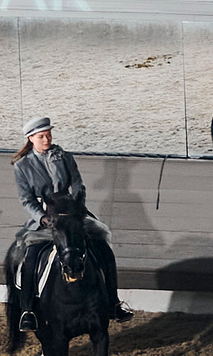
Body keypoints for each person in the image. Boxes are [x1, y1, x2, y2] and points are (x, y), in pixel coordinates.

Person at [12, 115, 133, 324]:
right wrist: (42, 218)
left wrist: (76, 207)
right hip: (45, 218)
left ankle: (113, 302)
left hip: (71, 214)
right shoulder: (22, 166)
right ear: (31, 138)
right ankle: (27, 310)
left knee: (103, 244)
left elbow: (78, 185)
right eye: (42, 136)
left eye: (48, 135)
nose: (47, 139)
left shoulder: (65, 157)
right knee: (31, 255)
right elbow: (27, 200)